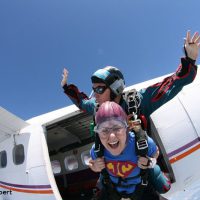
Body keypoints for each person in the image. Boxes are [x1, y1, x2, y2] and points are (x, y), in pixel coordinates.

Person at [61, 30, 199, 195]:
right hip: (112, 170)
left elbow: (171, 84)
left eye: (99, 89)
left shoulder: (138, 101)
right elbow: (82, 103)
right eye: (93, 90)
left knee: (164, 188)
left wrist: (189, 60)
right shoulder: (97, 106)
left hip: (140, 165)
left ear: (115, 88)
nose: (95, 94)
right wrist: (66, 87)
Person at [89, 101, 163, 200]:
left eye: (117, 128)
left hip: (140, 188)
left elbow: (156, 152)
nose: (112, 136)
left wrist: (151, 162)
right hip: (112, 191)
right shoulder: (97, 149)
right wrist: (95, 167)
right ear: (98, 133)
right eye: (104, 130)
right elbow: (91, 163)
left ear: (127, 128)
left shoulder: (142, 143)